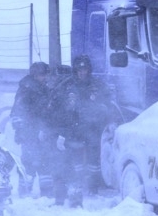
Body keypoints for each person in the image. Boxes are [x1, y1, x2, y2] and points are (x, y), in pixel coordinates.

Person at [45, 55, 111, 207]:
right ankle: (75, 189)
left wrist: (102, 112)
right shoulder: (66, 86)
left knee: (94, 162)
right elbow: (57, 110)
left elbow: (108, 104)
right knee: (72, 161)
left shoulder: (98, 85)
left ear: (89, 70)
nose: (83, 73)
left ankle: (93, 188)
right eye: (80, 70)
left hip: (93, 129)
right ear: (75, 71)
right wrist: (59, 132)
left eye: (85, 69)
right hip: (72, 130)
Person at [10, 62, 53, 197]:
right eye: (42, 75)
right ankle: (24, 193)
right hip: (29, 133)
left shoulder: (43, 88)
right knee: (29, 163)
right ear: (34, 75)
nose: (45, 77)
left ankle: (46, 193)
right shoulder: (26, 89)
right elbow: (18, 112)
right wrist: (22, 132)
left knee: (45, 162)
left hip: (41, 133)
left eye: (46, 74)